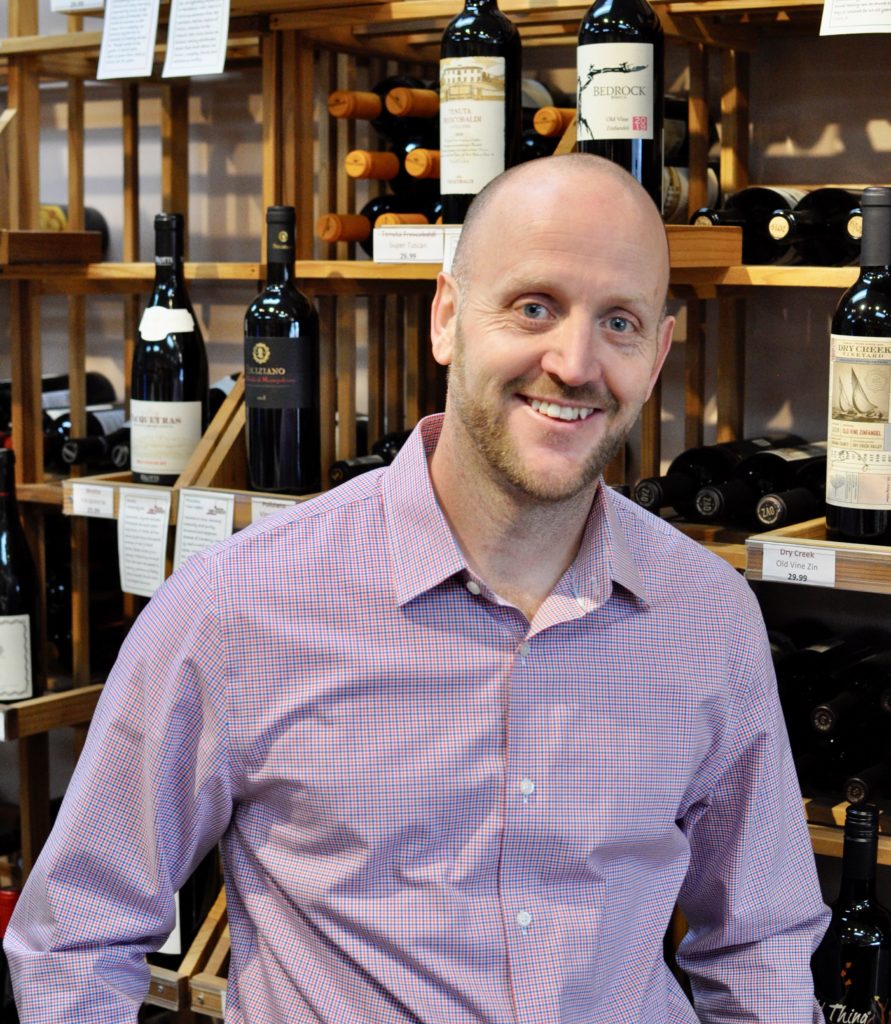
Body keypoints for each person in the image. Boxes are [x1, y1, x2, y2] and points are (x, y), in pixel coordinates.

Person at [6, 153, 829, 1023]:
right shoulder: (237, 605)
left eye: (619, 322)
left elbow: (760, 939)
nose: (575, 361)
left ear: (657, 353)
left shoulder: (706, 614)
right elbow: (79, 935)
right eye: (533, 307)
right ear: (446, 317)